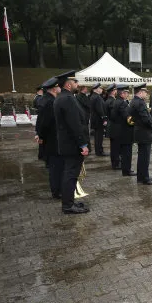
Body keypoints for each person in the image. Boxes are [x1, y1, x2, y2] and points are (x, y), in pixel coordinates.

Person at [53, 70, 90, 214]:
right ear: (68, 85)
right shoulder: (68, 99)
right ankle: (68, 205)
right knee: (71, 174)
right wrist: (83, 144)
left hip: (67, 143)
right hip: (72, 144)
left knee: (70, 173)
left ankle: (69, 201)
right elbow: (75, 124)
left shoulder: (62, 97)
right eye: (75, 82)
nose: (77, 84)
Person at [35, 77, 62, 197]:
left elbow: (40, 121)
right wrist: (41, 135)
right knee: (55, 166)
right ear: (54, 89)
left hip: (50, 137)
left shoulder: (46, 99)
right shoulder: (50, 102)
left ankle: (57, 189)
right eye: (58, 86)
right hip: (52, 138)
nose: (60, 88)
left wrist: (39, 134)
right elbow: (45, 122)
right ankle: (57, 191)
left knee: (54, 165)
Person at [128, 84, 152, 185]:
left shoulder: (133, 101)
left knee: (141, 156)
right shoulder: (140, 103)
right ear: (140, 92)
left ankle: (140, 177)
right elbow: (146, 119)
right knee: (145, 157)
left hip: (138, 131)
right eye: (145, 92)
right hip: (144, 133)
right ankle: (145, 178)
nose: (146, 94)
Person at [112, 84, 135, 176]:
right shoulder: (122, 103)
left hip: (119, 130)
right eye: (126, 93)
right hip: (125, 131)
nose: (127, 94)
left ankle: (125, 169)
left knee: (124, 152)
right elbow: (128, 118)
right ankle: (126, 170)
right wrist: (136, 122)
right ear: (122, 94)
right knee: (127, 152)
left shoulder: (116, 101)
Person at [89, 83, 107, 156]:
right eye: (100, 88)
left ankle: (98, 151)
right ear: (96, 89)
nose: (101, 90)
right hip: (98, 120)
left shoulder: (93, 96)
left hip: (95, 119)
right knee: (99, 137)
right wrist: (104, 118)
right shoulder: (97, 97)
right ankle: (99, 151)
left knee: (97, 137)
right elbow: (99, 109)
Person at [105, 84, 119, 169]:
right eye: (115, 90)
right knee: (115, 147)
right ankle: (116, 164)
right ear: (113, 92)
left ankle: (115, 163)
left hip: (111, 126)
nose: (117, 91)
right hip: (114, 127)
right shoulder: (112, 101)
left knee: (113, 146)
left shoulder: (108, 100)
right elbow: (114, 115)